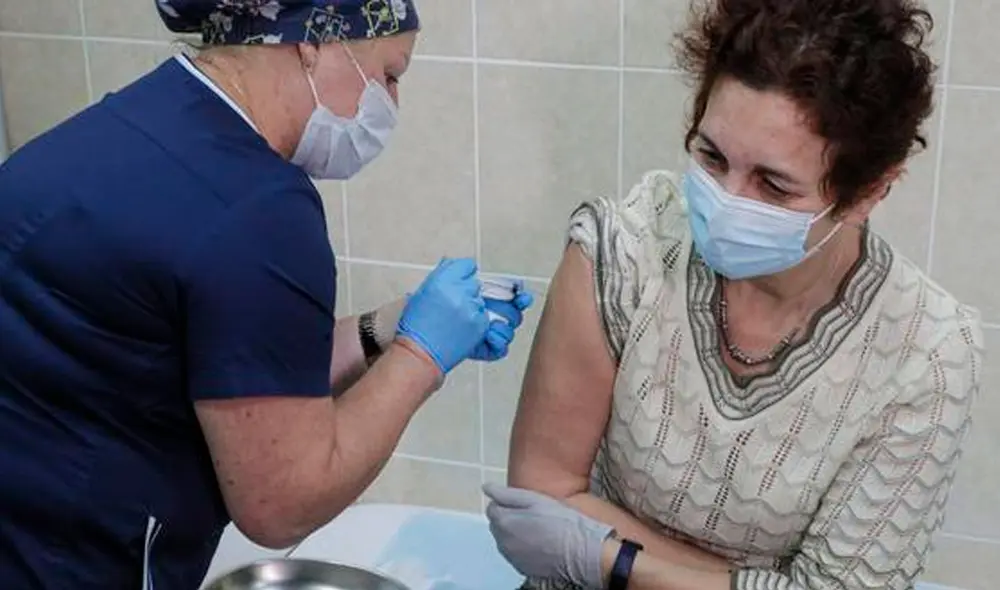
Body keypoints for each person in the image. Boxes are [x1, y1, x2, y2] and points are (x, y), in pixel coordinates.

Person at [0, 1, 533, 588]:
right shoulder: (258, 208)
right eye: (389, 75)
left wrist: (385, 328)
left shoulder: (137, 121)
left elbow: (240, 373)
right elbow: (282, 503)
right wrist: (422, 356)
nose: (392, 106)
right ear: (315, 41)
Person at [483, 1, 983, 589]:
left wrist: (614, 561)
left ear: (868, 190)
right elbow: (544, 497)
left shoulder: (926, 356)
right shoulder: (624, 251)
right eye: (711, 157)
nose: (726, 201)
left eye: (773, 185)